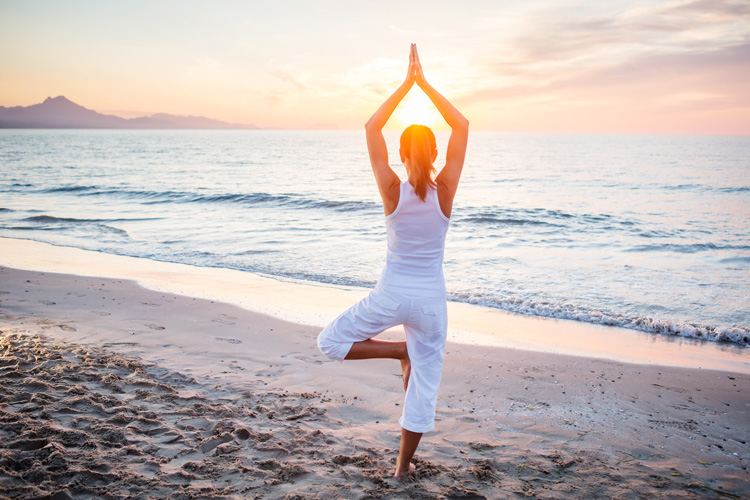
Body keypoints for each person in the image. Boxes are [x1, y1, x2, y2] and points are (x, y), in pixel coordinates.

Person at [317, 43, 469, 478]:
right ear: (435, 156)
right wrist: (426, 85)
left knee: (330, 341)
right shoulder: (446, 191)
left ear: (402, 157)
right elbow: (462, 125)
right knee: (423, 390)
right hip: (430, 303)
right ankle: (401, 470)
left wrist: (406, 85)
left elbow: (371, 127)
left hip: (392, 295)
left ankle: (398, 350)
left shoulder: (391, 190)